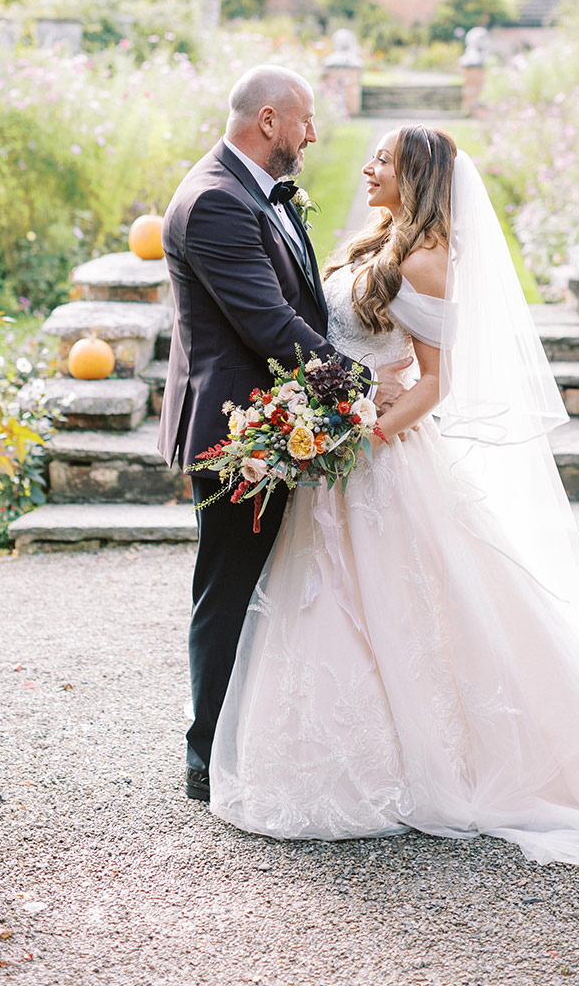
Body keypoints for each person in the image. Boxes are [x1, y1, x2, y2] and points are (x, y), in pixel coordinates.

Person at [208, 124, 579, 865]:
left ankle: (443, 759)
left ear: (417, 177)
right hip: (336, 459)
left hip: (382, 457)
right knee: (328, 603)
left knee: (416, 608)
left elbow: (435, 382)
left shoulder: (427, 262)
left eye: (383, 161)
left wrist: (364, 435)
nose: (367, 169)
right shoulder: (378, 241)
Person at [158, 67, 409, 803]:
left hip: (272, 425)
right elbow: (269, 326)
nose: (312, 136)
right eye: (303, 121)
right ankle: (206, 755)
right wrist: (362, 383)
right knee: (231, 585)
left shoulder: (249, 192)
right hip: (238, 432)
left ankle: (242, 737)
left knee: (262, 582)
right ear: (268, 120)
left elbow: (298, 301)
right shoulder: (214, 202)